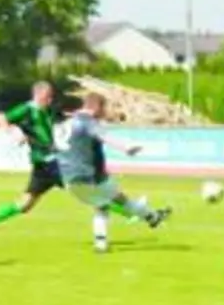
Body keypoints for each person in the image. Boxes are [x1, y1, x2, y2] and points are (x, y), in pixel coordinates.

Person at [59, 92, 171, 253]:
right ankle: (151, 216)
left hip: (69, 180)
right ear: (97, 106)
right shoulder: (88, 122)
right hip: (90, 177)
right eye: (104, 107)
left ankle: (101, 243)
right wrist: (126, 147)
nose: (105, 112)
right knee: (122, 201)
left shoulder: (69, 122)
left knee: (101, 205)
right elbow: (104, 136)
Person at [0, 81, 63, 243]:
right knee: (87, 189)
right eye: (47, 97)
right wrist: (14, 132)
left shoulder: (46, 110)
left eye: (51, 97)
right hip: (47, 163)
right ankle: (121, 214)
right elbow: (0, 118)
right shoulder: (26, 109)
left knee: (24, 205)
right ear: (38, 95)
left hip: (45, 165)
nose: (50, 100)